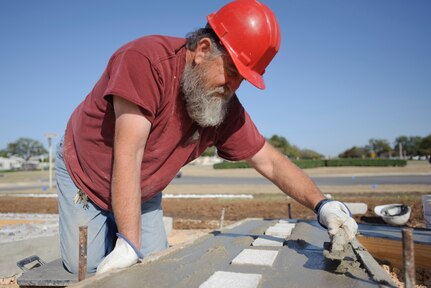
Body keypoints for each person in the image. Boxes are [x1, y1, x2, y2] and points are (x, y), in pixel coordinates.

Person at [56, 0, 358, 275]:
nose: (233, 86)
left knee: (153, 270)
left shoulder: (220, 105)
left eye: (241, 80)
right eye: (232, 71)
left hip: (143, 190)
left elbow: (270, 162)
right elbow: (128, 153)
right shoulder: (147, 61)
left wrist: (323, 205)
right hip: (86, 177)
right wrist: (129, 244)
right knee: (86, 270)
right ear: (202, 50)